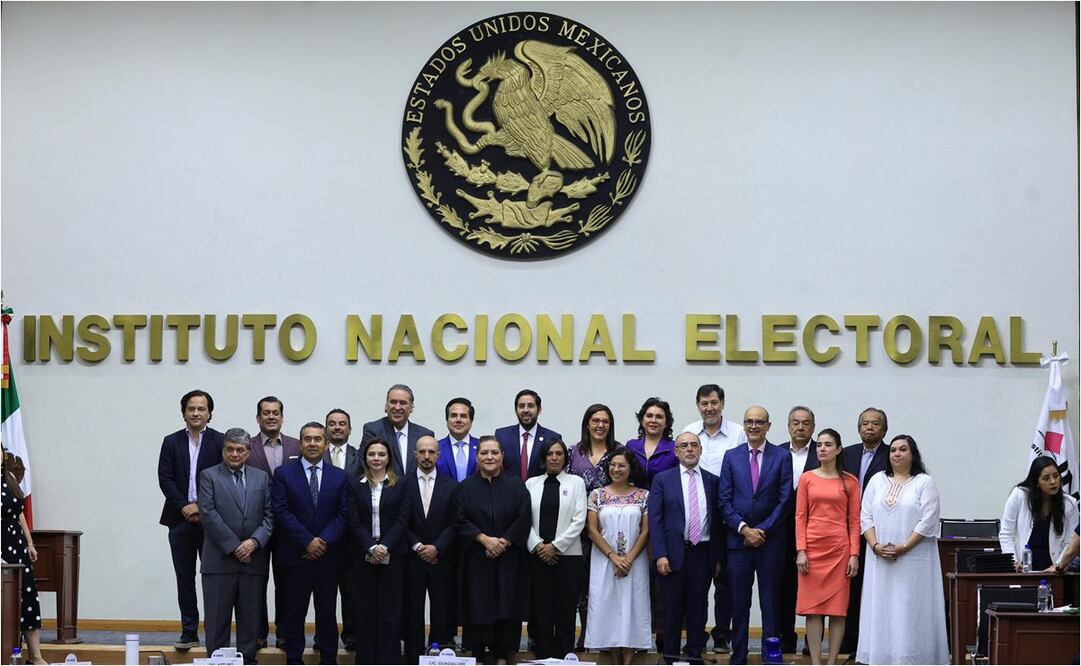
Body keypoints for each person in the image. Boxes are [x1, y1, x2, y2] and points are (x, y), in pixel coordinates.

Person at [856, 435, 947, 665]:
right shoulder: (877, 480)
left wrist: (904, 547)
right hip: (880, 560)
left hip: (913, 561)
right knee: (882, 607)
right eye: (893, 450)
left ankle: (912, 658)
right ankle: (882, 657)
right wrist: (875, 546)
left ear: (913, 454)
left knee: (909, 608)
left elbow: (928, 520)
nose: (897, 454)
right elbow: (865, 516)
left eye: (903, 449)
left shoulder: (924, 482)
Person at [718, 406, 792, 665]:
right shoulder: (731, 456)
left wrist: (763, 530)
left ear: (768, 426)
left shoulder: (782, 456)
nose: (754, 426)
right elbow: (724, 500)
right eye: (749, 421)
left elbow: (785, 499)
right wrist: (744, 529)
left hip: (770, 543)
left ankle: (771, 656)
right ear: (744, 424)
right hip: (739, 542)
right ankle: (738, 656)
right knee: (739, 603)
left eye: (759, 422)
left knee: (770, 602)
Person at [271, 422, 349, 665]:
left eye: (318, 439)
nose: (313, 443)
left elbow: (343, 515)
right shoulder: (283, 473)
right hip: (296, 556)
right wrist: (307, 542)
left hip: (329, 556)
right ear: (300, 443)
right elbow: (281, 511)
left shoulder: (340, 476)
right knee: (294, 613)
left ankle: (328, 659)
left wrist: (322, 541)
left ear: (326, 444)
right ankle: (294, 659)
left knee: (327, 613)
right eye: (307, 439)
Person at [198, 428, 274, 665]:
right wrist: (235, 547)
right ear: (223, 451)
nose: (234, 454)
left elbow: (270, 515)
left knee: (250, 620)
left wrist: (253, 542)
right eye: (229, 449)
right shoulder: (209, 476)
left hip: (253, 561)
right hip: (219, 561)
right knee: (217, 621)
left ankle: (247, 660)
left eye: (240, 450)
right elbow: (208, 514)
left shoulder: (262, 477)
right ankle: (217, 661)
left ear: (248, 452)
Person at [454, 436, 531, 665]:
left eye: (494, 453)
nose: (489, 457)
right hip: (477, 558)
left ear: (502, 456)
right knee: (478, 604)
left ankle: (502, 656)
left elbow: (524, 517)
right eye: (484, 453)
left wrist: (504, 542)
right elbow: (459, 519)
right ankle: (477, 655)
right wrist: (484, 540)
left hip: (509, 558)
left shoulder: (516, 485)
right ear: (477, 457)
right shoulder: (465, 487)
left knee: (507, 603)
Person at [157, 389, 224, 650]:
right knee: (184, 577)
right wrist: (184, 506)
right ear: (184, 413)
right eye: (191, 409)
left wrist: (201, 508)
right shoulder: (171, 441)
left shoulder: (220, 441)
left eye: (201, 409)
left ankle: (215, 632)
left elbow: (222, 478)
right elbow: (165, 478)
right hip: (179, 519)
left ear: (210, 413)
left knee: (213, 578)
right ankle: (189, 631)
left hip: (211, 521)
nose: (196, 413)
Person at [681, 384, 745, 655]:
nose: (710, 408)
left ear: (722, 404)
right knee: (694, 583)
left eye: (714, 402)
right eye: (704, 403)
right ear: (698, 405)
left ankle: (721, 635)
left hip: (726, 514)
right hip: (697, 513)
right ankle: (695, 635)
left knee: (724, 581)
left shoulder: (738, 433)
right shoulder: (689, 431)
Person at [649, 432, 723, 665]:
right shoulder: (663, 479)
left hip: (702, 552)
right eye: (684, 445)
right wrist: (660, 554)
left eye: (693, 445)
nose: (689, 449)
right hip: (673, 553)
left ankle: (694, 656)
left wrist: (717, 558)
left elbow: (718, 522)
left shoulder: (713, 480)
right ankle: (670, 656)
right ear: (676, 451)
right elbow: (655, 520)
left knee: (698, 608)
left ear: (700, 449)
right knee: (672, 608)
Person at [794, 428, 859, 665]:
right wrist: (801, 550)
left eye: (828, 444)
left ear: (839, 449)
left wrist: (854, 554)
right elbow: (800, 516)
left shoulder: (850, 481)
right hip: (812, 550)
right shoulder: (807, 478)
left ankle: (831, 662)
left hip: (839, 551)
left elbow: (855, 521)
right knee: (813, 610)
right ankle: (816, 662)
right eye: (819, 444)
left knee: (837, 610)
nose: (822, 448)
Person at [584, 448, 652, 664]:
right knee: (608, 606)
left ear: (631, 468)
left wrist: (628, 559)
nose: (616, 469)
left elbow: (646, 531)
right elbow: (592, 530)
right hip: (604, 561)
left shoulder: (644, 496)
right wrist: (614, 557)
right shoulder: (597, 495)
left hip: (635, 562)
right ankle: (614, 660)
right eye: (612, 465)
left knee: (633, 606)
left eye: (622, 465)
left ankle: (629, 660)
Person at [348, 438, 411, 665]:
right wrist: (371, 547)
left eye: (381, 454)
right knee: (364, 610)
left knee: (390, 611)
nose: (376, 458)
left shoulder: (401, 484)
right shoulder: (355, 484)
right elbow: (353, 520)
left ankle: (389, 660)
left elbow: (403, 519)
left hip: (393, 555)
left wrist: (384, 547)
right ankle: (366, 660)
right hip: (363, 554)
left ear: (389, 458)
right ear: (365, 458)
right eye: (372, 454)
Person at [246, 395, 301, 649]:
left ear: (282, 417)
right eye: (266, 413)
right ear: (258, 418)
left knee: (286, 582)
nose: (271, 417)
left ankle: (284, 632)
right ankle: (258, 632)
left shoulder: (296, 446)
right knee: (256, 581)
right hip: (256, 525)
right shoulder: (246, 446)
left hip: (288, 527)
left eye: (275, 412)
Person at [525, 439, 588, 658]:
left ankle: (564, 656)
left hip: (568, 557)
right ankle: (543, 657)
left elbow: (579, 520)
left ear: (565, 457)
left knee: (565, 610)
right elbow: (524, 519)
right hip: (537, 556)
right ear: (543, 458)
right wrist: (538, 546)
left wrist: (555, 546)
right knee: (541, 610)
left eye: (559, 454)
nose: (554, 458)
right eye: (550, 454)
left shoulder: (576, 483)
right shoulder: (531, 484)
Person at [836, 406, 889, 656]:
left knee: (872, 588)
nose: (869, 427)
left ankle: (872, 642)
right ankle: (848, 642)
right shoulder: (846, 454)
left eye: (875, 423)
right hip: (844, 530)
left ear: (884, 430)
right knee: (847, 587)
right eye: (865, 423)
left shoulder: (891, 455)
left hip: (877, 531)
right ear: (859, 428)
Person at [567, 403, 619, 649]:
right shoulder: (573, 452)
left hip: (610, 528)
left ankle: (608, 634)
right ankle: (585, 633)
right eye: (595, 420)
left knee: (608, 582)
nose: (600, 425)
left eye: (605, 421)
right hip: (579, 528)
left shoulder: (619, 451)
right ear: (587, 424)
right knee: (581, 582)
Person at [403, 435, 460, 661]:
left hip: (441, 559)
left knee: (442, 611)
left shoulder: (452, 486)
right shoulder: (402, 484)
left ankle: (439, 657)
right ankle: (412, 657)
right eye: (422, 452)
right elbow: (400, 521)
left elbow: (456, 522)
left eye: (431, 452)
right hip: (412, 558)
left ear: (438, 455)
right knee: (412, 611)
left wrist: (437, 547)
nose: (426, 456)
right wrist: (418, 546)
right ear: (415, 454)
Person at [779, 406, 818, 655]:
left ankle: (811, 641)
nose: (800, 427)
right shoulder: (777, 452)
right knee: (783, 587)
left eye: (805, 423)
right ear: (788, 426)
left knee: (814, 586)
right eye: (795, 422)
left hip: (815, 531)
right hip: (782, 532)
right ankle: (786, 637)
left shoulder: (822, 452)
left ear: (813, 427)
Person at [999, 455, 1080, 572]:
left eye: (1056, 476)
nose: (1053, 482)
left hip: (1054, 570)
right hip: (1022, 568)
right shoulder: (1019, 495)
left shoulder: (1070, 504)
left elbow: (1069, 542)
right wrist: (1013, 562)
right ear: (1036, 482)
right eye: (1046, 478)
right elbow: (1006, 534)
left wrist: (1058, 566)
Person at [2, 448, 45, 664]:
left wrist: (29, 543)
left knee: (28, 596)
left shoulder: (9, 477)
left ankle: (36, 656)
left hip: (17, 544)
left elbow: (19, 512)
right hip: (2, 545)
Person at [322, 407, 360, 650]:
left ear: (349, 429)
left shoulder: (361, 456)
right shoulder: (315, 455)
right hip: (323, 534)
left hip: (352, 536)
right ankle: (322, 638)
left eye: (342, 423)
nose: (337, 427)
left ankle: (351, 635)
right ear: (326, 429)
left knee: (351, 591)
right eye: (332, 423)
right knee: (324, 593)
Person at [362, 384, 435, 477]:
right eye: (393, 402)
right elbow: (364, 463)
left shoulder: (424, 435)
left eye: (403, 403)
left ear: (411, 408)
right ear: (386, 406)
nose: (397, 407)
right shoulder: (373, 430)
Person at [497, 389, 563, 480]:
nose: (525, 410)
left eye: (530, 406)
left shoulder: (552, 437)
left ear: (539, 410)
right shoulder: (502, 436)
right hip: (508, 488)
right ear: (516, 410)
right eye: (521, 406)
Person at [626, 397, 677, 489]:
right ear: (642, 420)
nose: (653, 420)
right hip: (637, 497)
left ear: (666, 423)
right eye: (649, 416)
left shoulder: (675, 448)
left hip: (665, 497)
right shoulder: (631, 446)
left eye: (659, 417)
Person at [437, 397, 479, 482]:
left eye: (463, 416)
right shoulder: (436, 448)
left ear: (471, 421)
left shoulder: (481, 447)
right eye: (453, 416)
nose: (458, 420)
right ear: (447, 420)